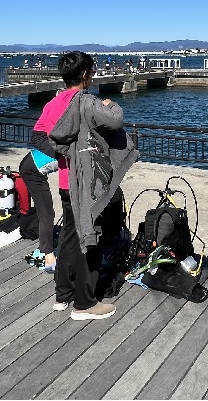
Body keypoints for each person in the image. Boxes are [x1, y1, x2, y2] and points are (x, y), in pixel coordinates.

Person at [40, 51, 137, 320]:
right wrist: (112, 105)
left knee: (70, 236)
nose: (92, 77)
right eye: (92, 73)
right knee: (90, 238)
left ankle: (63, 294)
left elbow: (39, 135)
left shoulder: (52, 104)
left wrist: (63, 154)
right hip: (87, 183)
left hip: (63, 180)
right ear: (85, 75)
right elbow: (115, 120)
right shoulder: (87, 102)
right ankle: (85, 303)